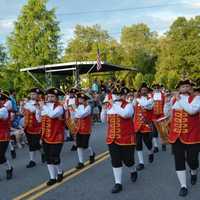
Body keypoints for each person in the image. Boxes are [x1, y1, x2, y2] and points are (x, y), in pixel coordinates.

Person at [165, 80, 200, 197]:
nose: (184, 88)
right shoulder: (174, 99)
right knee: (179, 160)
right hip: (176, 135)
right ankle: (183, 185)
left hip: (192, 135)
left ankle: (194, 171)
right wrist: (167, 102)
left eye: (187, 86)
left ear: (191, 88)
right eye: (182, 86)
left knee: (192, 160)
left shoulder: (196, 98)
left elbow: (192, 110)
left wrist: (179, 99)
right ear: (179, 88)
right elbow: (167, 113)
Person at [101, 87, 137, 193]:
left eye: (119, 94)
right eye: (115, 94)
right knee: (115, 160)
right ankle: (118, 183)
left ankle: (133, 170)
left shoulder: (128, 105)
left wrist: (114, 104)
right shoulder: (110, 107)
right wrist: (103, 109)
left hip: (126, 138)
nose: (117, 96)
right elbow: (103, 120)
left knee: (128, 161)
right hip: (112, 138)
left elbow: (125, 115)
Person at [40, 88, 65, 186]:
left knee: (55, 157)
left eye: (52, 96)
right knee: (48, 158)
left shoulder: (59, 107)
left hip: (57, 136)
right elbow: (39, 119)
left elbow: (52, 115)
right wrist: (38, 110)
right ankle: (52, 177)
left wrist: (43, 107)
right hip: (46, 136)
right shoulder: (45, 107)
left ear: (56, 97)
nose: (50, 98)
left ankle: (59, 171)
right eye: (48, 96)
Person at [133, 83, 154, 171]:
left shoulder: (151, 100)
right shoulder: (136, 100)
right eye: (142, 90)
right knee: (138, 144)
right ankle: (141, 163)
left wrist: (137, 99)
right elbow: (132, 108)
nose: (144, 91)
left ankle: (151, 152)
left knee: (147, 142)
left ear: (147, 91)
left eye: (145, 90)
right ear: (140, 91)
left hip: (146, 125)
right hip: (137, 125)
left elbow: (146, 105)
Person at [72, 92, 95, 169]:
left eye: (81, 99)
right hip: (78, 128)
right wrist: (77, 114)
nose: (79, 100)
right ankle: (81, 162)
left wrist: (76, 111)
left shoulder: (88, 107)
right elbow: (76, 116)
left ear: (85, 100)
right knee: (79, 145)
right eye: (79, 98)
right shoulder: (79, 107)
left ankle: (92, 154)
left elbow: (82, 115)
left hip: (86, 129)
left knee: (85, 145)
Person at [23, 88, 45, 168]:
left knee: (36, 143)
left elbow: (35, 112)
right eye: (31, 94)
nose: (32, 96)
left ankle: (42, 154)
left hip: (37, 127)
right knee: (31, 144)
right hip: (28, 127)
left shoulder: (40, 103)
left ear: (38, 95)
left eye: (34, 94)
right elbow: (23, 112)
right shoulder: (27, 103)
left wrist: (33, 107)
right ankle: (32, 160)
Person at [0, 91, 13, 180]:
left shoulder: (3, 110)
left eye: (1, 100)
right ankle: (9, 168)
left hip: (3, 136)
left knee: (0, 155)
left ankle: (9, 169)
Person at [151, 84, 166, 152]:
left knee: (162, 130)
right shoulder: (151, 96)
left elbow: (165, 105)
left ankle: (163, 143)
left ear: (159, 88)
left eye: (157, 88)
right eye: (155, 88)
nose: (156, 89)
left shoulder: (163, 95)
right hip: (153, 115)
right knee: (154, 131)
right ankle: (156, 146)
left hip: (161, 115)